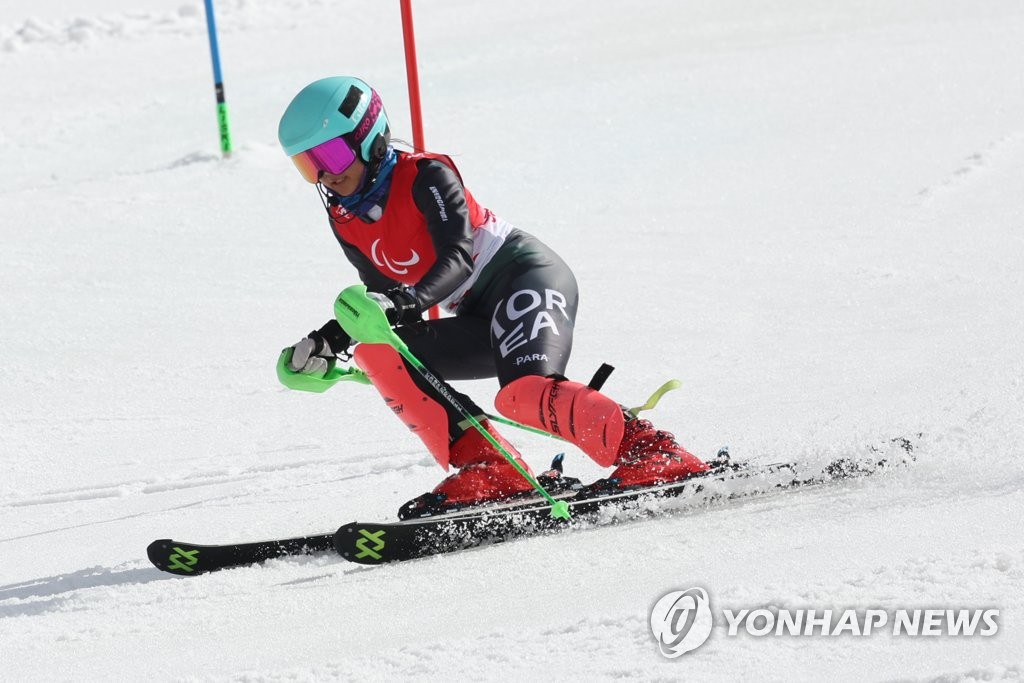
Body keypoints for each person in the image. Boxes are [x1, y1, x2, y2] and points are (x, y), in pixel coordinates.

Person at [276, 76, 708, 518]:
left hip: (523, 278)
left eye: (330, 154)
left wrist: (403, 302)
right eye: (308, 166)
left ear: (369, 136)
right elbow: (379, 298)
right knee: (381, 352)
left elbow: (458, 258)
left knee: (521, 394)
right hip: (477, 316)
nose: (326, 174)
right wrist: (328, 342)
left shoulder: (425, 176)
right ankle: (492, 469)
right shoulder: (345, 219)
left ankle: (653, 452)